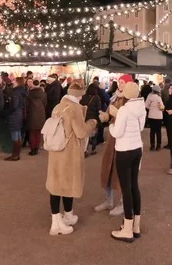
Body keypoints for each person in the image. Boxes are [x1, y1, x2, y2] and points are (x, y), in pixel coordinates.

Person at [46, 82, 97, 236]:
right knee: (68, 184)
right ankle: (56, 223)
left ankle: (67, 215)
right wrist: (92, 122)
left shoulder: (58, 106)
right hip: (69, 153)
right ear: (78, 95)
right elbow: (81, 132)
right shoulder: (75, 109)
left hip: (56, 151)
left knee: (56, 185)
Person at [107, 81, 145, 242]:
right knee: (134, 186)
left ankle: (127, 228)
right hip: (137, 149)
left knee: (126, 189)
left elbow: (117, 132)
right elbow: (140, 127)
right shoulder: (140, 107)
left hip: (124, 151)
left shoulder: (124, 109)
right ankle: (136, 225)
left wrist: (111, 125)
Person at [95, 78, 128, 217]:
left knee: (120, 172)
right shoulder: (115, 98)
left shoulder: (129, 101)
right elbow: (109, 113)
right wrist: (105, 116)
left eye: (123, 83)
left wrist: (117, 115)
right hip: (111, 139)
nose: (120, 85)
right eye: (119, 82)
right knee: (107, 169)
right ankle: (108, 200)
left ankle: (122, 203)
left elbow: (130, 120)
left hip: (123, 140)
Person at [5, 76, 27, 161]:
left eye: (14, 81)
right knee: (18, 134)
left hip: (14, 115)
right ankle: (17, 154)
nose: (13, 82)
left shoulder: (16, 92)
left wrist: (7, 111)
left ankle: (15, 155)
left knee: (15, 134)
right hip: (19, 114)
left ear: (18, 82)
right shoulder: (22, 91)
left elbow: (14, 105)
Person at [26, 78, 47, 156]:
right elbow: (45, 104)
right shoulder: (43, 93)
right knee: (38, 133)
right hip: (41, 114)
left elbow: (27, 105)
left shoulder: (29, 94)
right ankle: (36, 148)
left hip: (32, 114)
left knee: (32, 133)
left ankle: (32, 149)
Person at [144, 84, 164, 151]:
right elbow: (162, 107)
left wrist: (151, 108)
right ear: (158, 91)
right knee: (158, 131)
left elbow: (146, 106)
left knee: (152, 131)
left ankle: (152, 145)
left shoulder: (149, 97)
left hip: (151, 116)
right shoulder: (159, 98)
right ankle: (158, 145)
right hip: (158, 117)